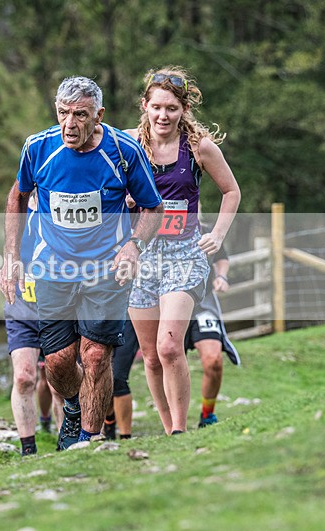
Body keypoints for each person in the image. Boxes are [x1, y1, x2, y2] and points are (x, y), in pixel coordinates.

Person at [0, 76, 163, 451]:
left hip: (108, 268)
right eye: (62, 113)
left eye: (80, 115)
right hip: (54, 267)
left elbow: (153, 207)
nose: (69, 124)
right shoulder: (38, 147)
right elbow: (18, 198)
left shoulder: (124, 150)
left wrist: (134, 246)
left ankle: (88, 440)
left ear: (98, 115)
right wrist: (12, 255)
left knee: (96, 355)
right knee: (57, 361)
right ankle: (73, 406)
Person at [125, 67, 241, 435]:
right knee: (151, 356)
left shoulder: (198, 148)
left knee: (170, 346)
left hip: (184, 255)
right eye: (156, 107)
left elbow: (232, 191)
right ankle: (167, 430)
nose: (163, 115)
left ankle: (180, 429)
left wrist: (218, 235)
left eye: (172, 108)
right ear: (144, 105)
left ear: (184, 110)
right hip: (140, 257)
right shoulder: (127, 145)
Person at [0, 199, 63, 455]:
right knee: (24, 377)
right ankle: (28, 450)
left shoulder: (60, 196)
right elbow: (8, 249)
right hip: (22, 305)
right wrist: (3, 269)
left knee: (59, 382)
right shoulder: (16, 205)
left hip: (58, 304)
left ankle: (65, 442)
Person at [185, 223, 240, 428]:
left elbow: (221, 256)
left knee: (213, 361)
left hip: (203, 304)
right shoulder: (153, 222)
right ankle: (174, 424)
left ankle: (207, 415)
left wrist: (221, 277)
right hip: (163, 304)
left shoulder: (207, 229)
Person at [103, 320, 140, 440]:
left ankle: (125, 436)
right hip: (97, 315)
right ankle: (109, 421)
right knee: (103, 376)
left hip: (128, 318)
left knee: (118, 377)